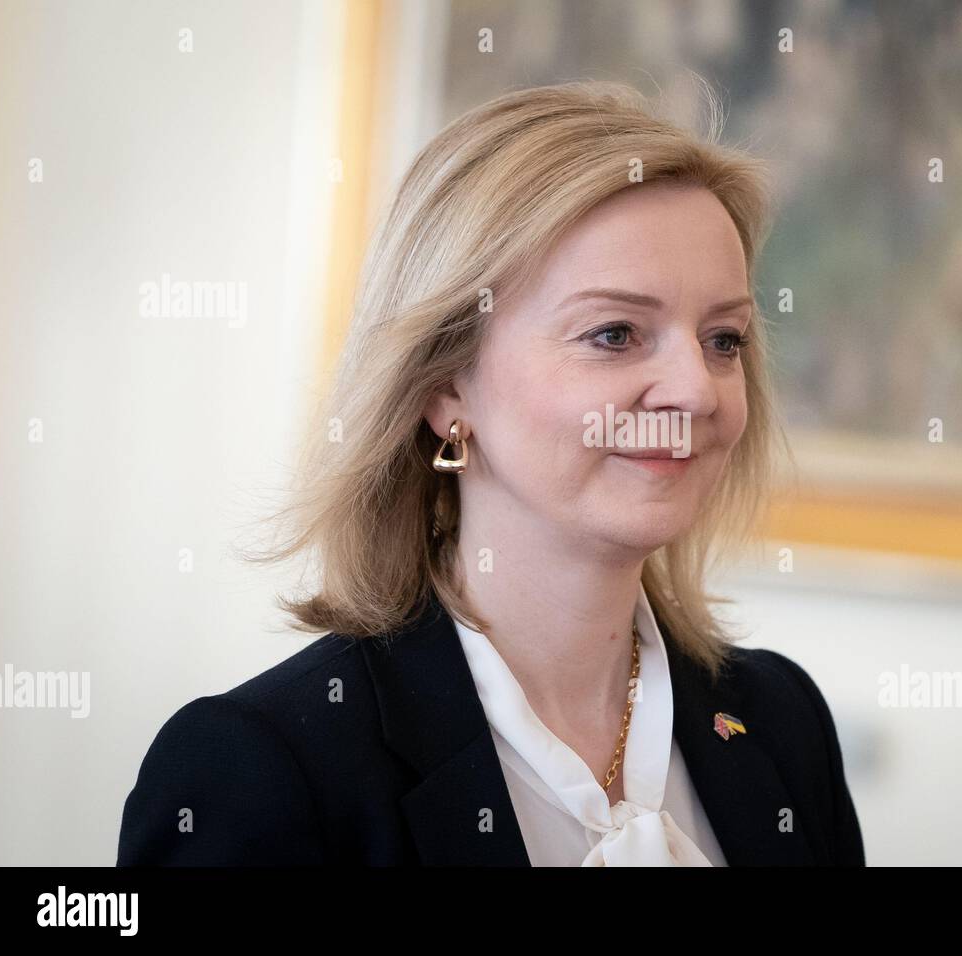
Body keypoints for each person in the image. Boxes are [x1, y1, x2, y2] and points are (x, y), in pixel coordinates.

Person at [115, 80, 865, 866]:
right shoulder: (258, 772)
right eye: (614, 333)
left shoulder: (782, 720)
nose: (695, 390)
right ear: (445, 387)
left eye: (724, 339)